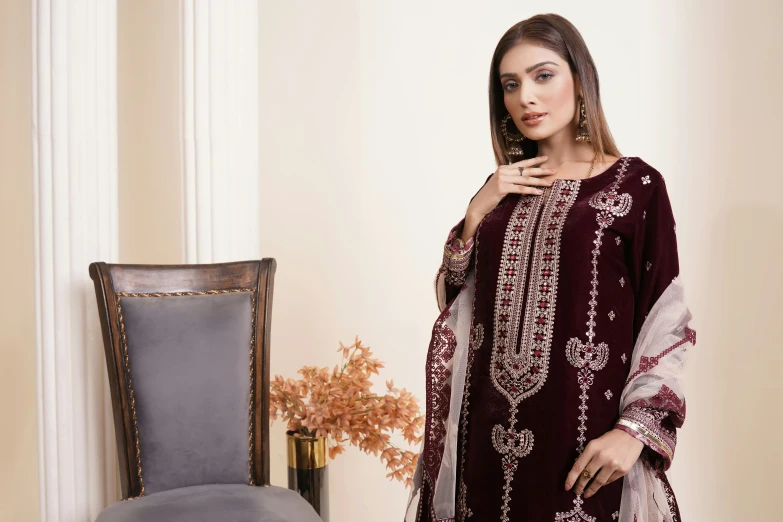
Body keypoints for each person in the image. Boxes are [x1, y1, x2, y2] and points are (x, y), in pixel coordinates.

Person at [404, 13, 697, 522]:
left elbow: (666, 319)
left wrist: (635, 432)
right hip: (483, 450)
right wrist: (476, 213)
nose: (525, 98)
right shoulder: (502, 191)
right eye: (510, 85)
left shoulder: (636, 186)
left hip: (582, 450)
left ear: (580, 81)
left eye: (543, 76)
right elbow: (454, 306)